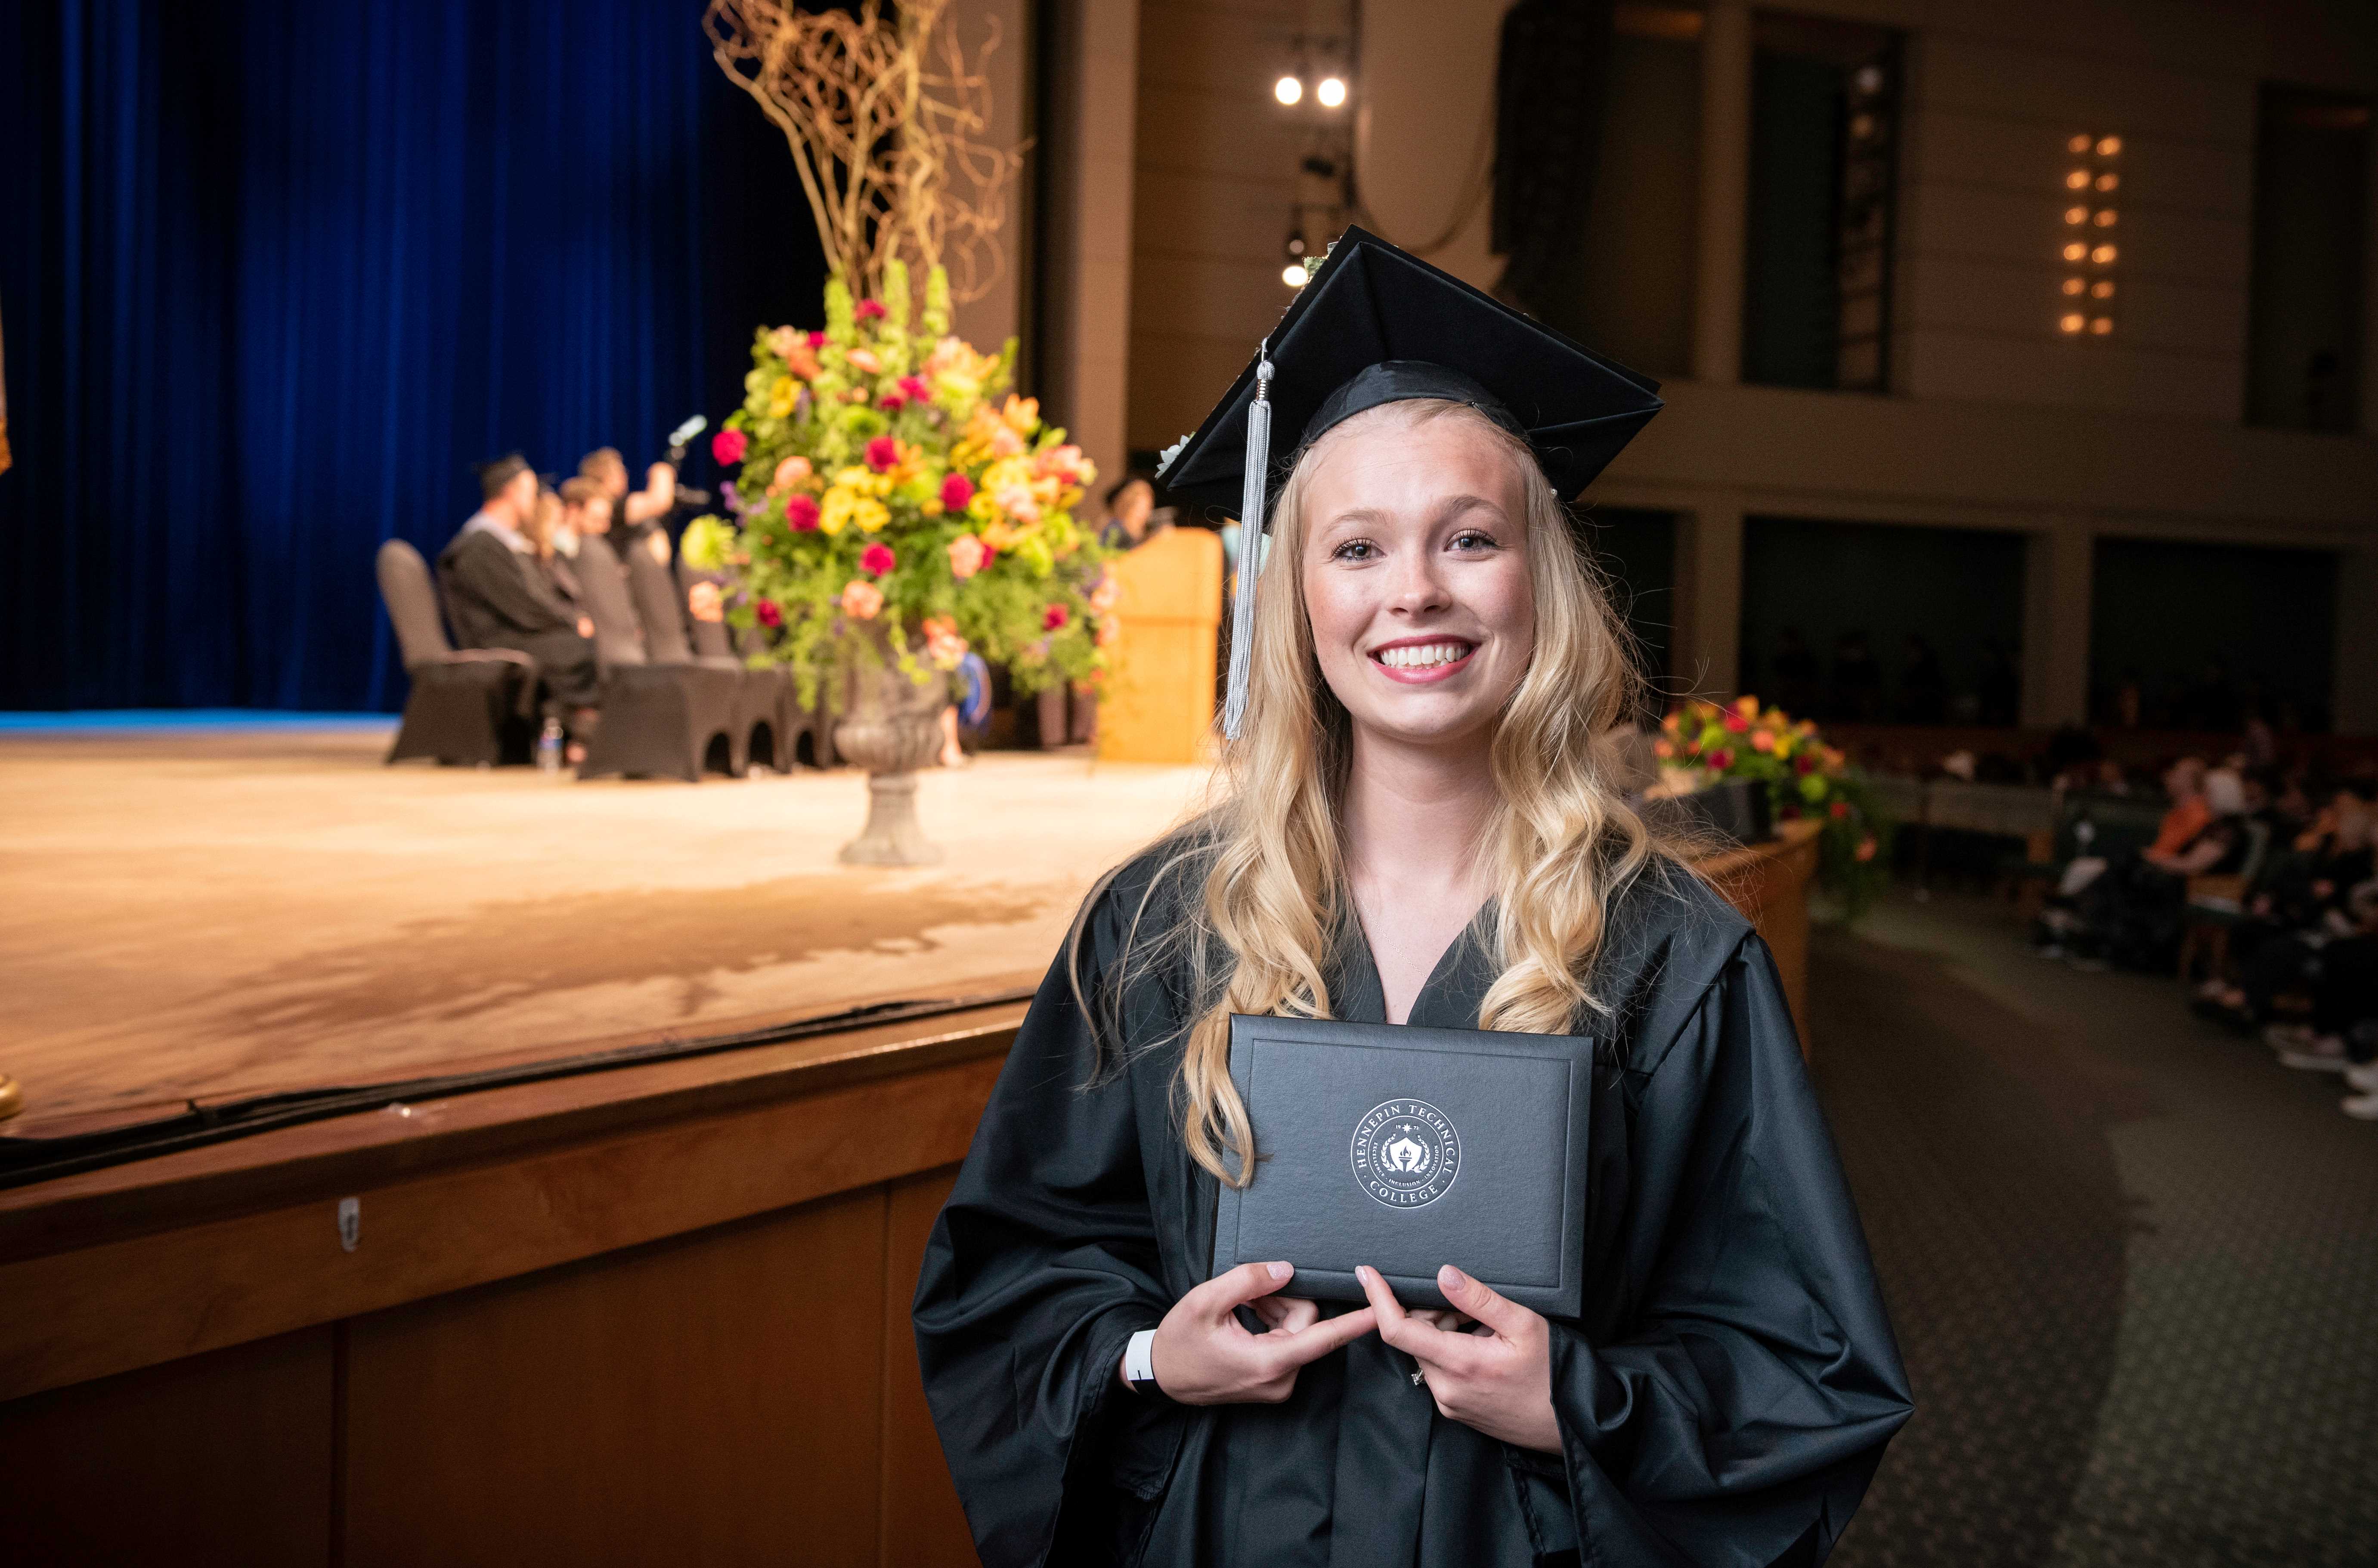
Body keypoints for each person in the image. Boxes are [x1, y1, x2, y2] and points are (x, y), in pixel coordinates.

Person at [914, 229, 1910, 1567]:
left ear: (1540, 578)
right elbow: (1010, 1274)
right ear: (1293, 597)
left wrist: (1575, 1401)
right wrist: (1151, 1354)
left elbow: (1802, 1362)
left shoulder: (1670, 957)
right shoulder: (1160, 927)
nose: (1414, 592)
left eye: (1469, 538)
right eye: (1356, 548)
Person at [438, 454, 601, 755]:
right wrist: (572, 621)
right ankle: (582, 738)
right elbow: (523, 606)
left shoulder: (504, 541)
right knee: (583, 650)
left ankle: (580, 735)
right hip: (497, 639)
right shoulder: (479, 545)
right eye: (530, 492)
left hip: (518, 631)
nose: (536, 501)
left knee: (586, 644)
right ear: (511, 493)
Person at [579, 446, 678, 568]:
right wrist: (661, 471)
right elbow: (660, 502)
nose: (625, 476)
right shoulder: (614, 507)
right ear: (606, 478)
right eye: (621, 472)